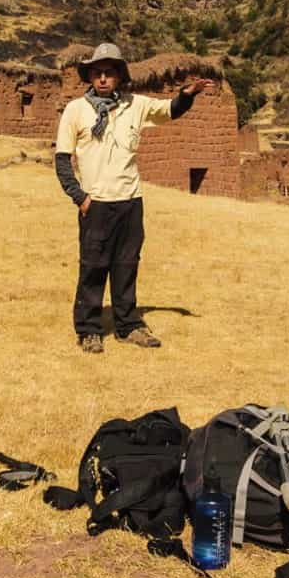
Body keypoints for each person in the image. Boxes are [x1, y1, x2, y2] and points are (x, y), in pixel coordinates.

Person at [54, 42, 216, 353]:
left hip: (130, 201)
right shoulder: (76, 110)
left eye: (109, 73)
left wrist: (188, 94)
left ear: (119, 77)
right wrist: (80, 197)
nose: (102, 78)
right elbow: (63, 159)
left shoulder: (135, 105)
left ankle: (127, 326)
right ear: (90, 77)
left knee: (126, 265)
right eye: (97, 73)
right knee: (93, 267)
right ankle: (89, 328)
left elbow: (170, 110)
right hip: (96, 203)